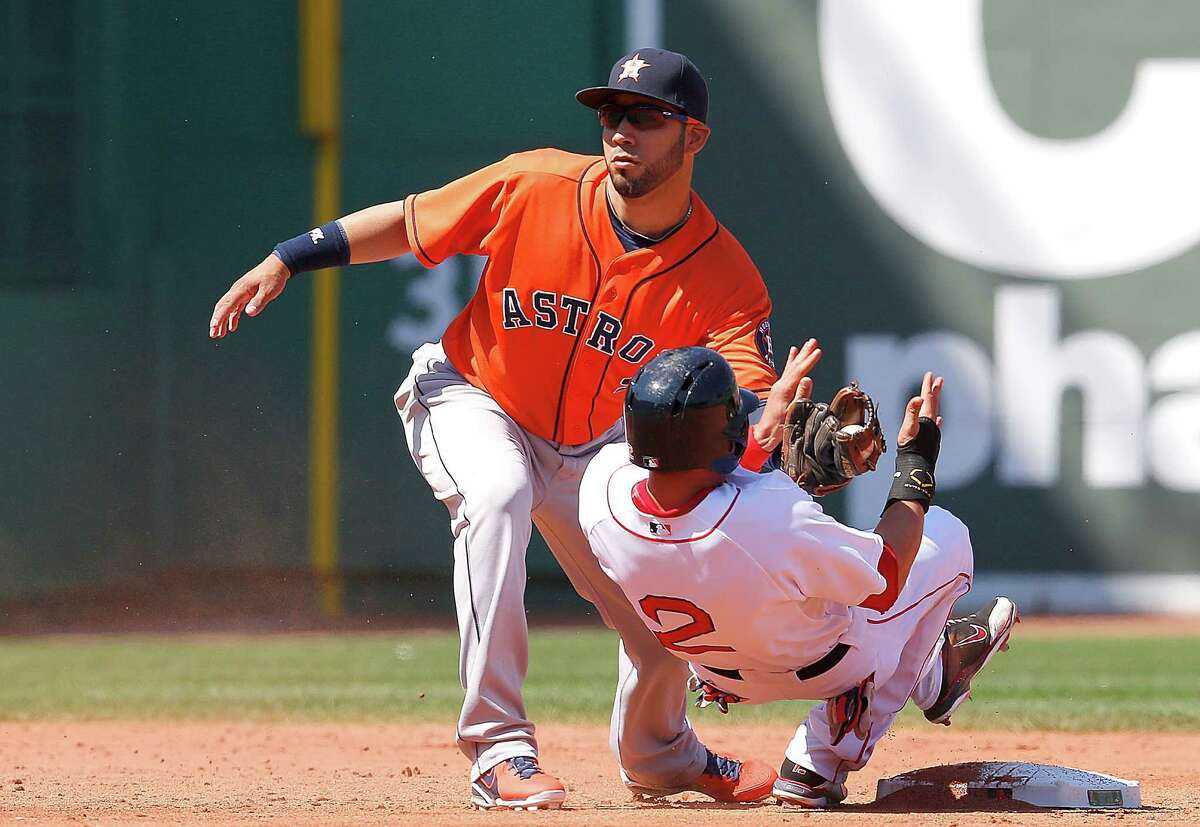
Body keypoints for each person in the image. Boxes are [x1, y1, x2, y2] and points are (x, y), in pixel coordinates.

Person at [209, 49, 785, 809]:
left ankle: (659, 752)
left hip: (592, 447)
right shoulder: (537, 183)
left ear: (694, 138)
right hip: (471, 395)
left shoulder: (724, 273)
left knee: (660, 590)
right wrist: (289, 257)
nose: (621, 131)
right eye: (611, 114)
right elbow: (412, 222)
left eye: (646, 117)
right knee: (499, 491)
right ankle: (498, 747)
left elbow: (747, 393)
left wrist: (766, 425)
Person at [578, 343, 1018, 807]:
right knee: (944, 535)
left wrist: (764, 441)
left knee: (796, 587)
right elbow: (886, 576)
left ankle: (933, 671)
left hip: (713, 674)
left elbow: (688, 489)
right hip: (823, 670)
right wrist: (915, 461)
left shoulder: (600, 490)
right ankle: (823, 754)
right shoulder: (773, 516)